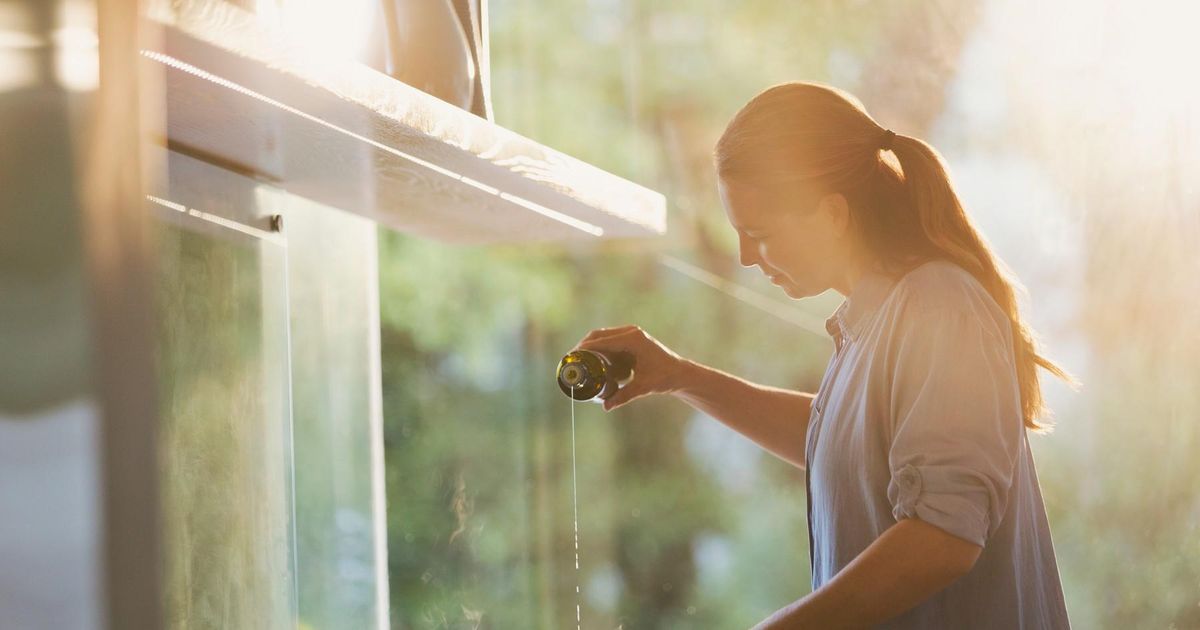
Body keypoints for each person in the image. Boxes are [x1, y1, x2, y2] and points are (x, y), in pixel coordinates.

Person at [571, 81, 1077, 629]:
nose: (744, 257)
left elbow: (943, 537)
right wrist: (680, 376)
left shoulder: (939, 308)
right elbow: (839, 443)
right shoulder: (877, 320)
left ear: (833, 213)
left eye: (758, 233)